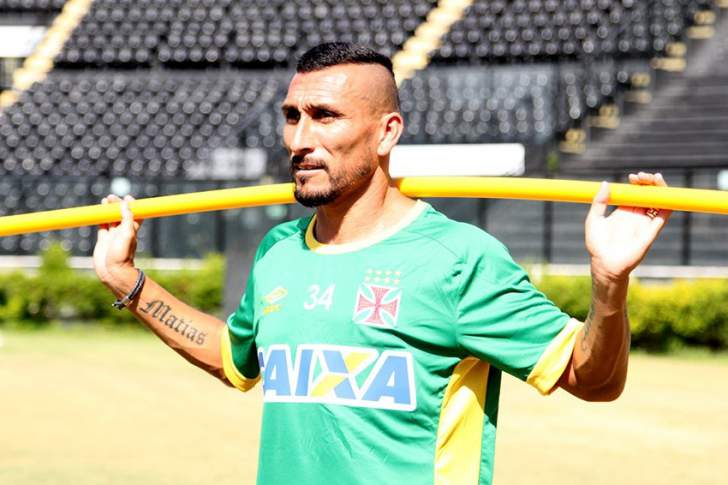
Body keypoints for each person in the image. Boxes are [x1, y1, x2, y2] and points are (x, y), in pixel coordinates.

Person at [93, 43, 671, 485]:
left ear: (386, 133)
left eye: (325, 116)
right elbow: (233, 360)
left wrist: (609, 282)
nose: (299, 139)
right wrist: (126, 280)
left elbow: (595, 381)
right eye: (292, 116)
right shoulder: (279, 252)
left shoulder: (457, 260)